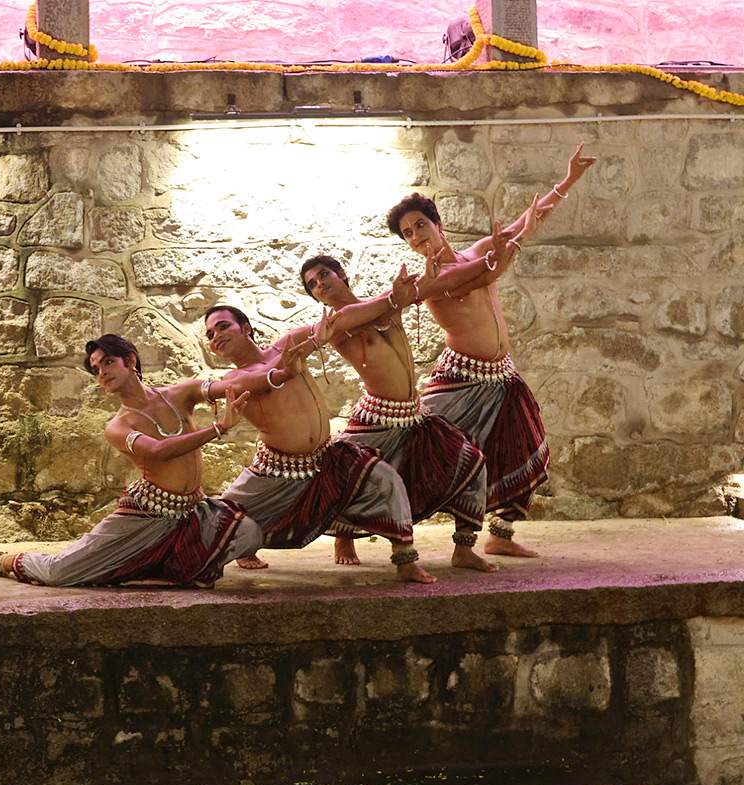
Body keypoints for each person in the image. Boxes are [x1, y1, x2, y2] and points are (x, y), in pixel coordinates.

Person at [385, 143, 597, 557]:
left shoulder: (478, 249)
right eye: (407, 234)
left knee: (527, 451)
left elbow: (526, 222)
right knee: (424, 455)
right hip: (460, 380)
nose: (415, 237)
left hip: (502, 376)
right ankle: (356, 522)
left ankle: (500, 535)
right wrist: (505, 251)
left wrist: (568, 180)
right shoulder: (429, 280)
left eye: (419, 226)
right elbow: (481, 273)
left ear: (437, 223)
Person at [0, 334, 263, 587]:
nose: (101, 373)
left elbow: (233, 387)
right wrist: (219, 428)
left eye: (107, 362)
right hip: (146, 514)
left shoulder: (182, 393)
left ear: (130, 361)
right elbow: (157, 451)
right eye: (96, 370)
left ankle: (173, 563)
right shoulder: (118, 426)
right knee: (61, 572)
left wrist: (281, 371)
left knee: (251, 533)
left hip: (193, 511)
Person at [298, 223, 515, 573]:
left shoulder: (379, 303)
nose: (319, 283)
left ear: (341, 275)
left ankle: (464, 549)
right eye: (312, 284)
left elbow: (413, 297)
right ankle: (350, 537)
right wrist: (407, 292)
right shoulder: (337, 324)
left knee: (472, 464)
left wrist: (435, 280)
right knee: (345, 479)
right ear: (316, 298)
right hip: (376, 418)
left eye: (324, 274)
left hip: (414, 415)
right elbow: (383, 306)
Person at [205, 303, 436, 583]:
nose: (215, 336)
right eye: (209, 335)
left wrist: (391, 299)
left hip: (327, 456)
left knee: (386, 478)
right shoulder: (234, 378)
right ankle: (242, 549)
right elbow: (265, 380)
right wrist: (313, 343)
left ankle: (405, 560)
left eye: (222, 326)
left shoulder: (287, 345)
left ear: (246, 329)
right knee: (223, 522)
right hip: (276, 469)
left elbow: (340, 320)